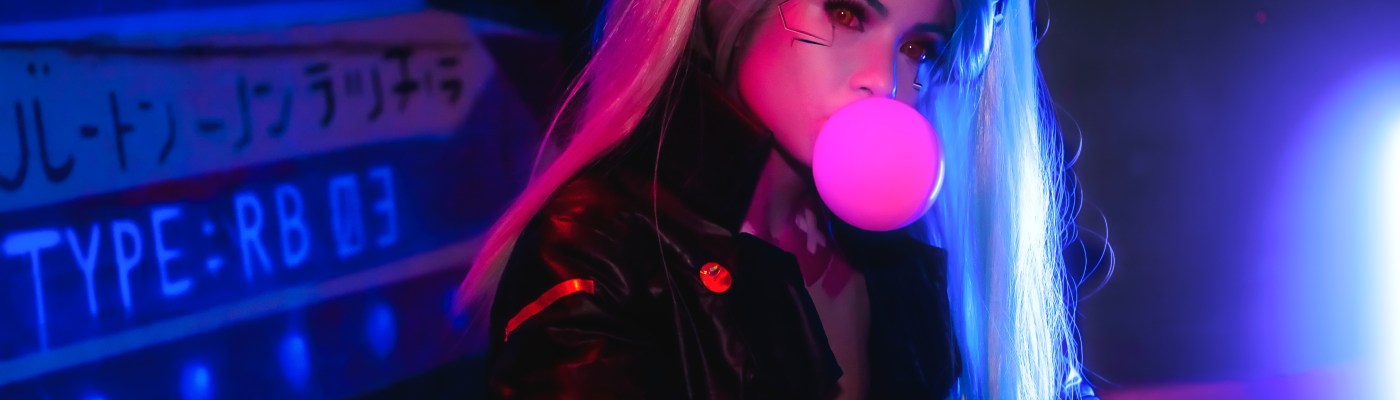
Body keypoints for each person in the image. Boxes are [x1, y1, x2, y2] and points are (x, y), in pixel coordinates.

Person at [456, 0, 1094, 398]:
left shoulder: (905, 258)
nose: (885, 81)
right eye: (846, 13)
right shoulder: (597, 249)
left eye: (918, 48)